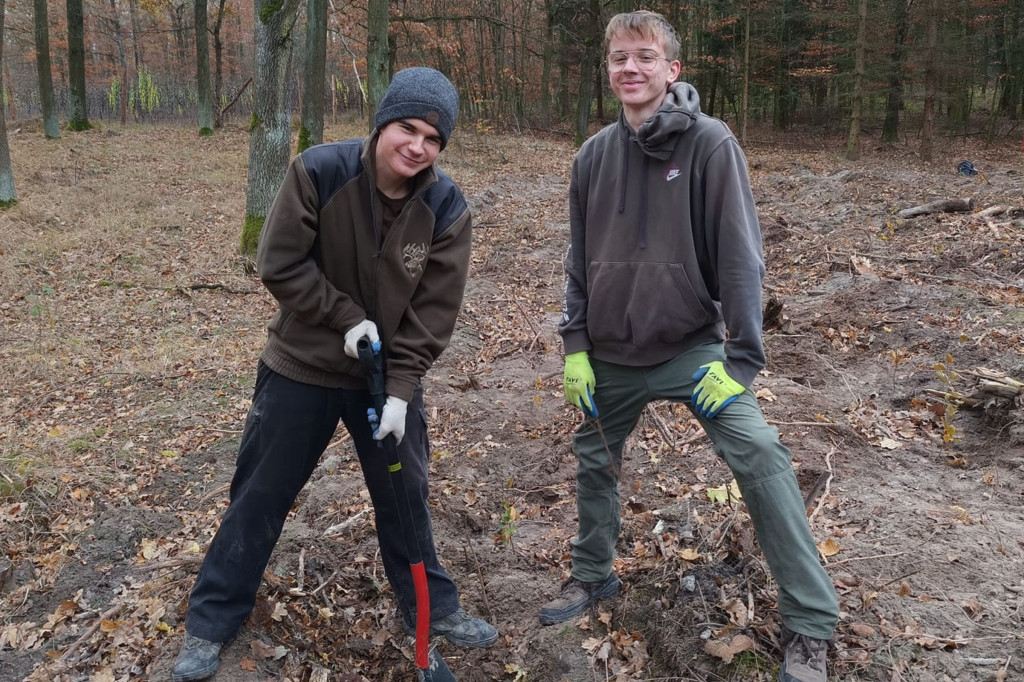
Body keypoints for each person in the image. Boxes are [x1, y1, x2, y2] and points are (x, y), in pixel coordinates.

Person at [538, 11, 838, 682]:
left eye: (645, 56)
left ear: (672, 69)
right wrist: (575, 344)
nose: (630, 68)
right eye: (619, 57)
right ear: (609, 69)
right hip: (609, 354)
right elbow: (578, 261)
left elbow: (740, 257)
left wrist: (741, 360)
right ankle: (592, 577)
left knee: (760, 454)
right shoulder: (592, 157)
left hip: (689, 349)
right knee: (594, 458)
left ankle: (811, 625)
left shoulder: (710, 144)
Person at [172, 67, 496, 682]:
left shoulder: (445, 206)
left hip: (385, 383)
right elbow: (280, 262)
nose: (417, 146)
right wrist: (345, 318)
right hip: (303, 367)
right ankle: (211, 621)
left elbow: (433, 314)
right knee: (260, 496)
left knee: (407, 501)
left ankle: (433, 609)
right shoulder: (319, 171)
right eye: (407, 128)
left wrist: (400, 392)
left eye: (433, 138)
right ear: (381, 124)